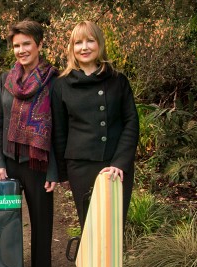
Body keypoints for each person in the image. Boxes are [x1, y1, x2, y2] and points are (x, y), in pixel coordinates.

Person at [0, 20, 59, 267]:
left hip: (38, 163)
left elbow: (58, 130)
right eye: (17, 45)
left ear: (39, 44)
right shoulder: (6, 79)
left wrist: (53, 171)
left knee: (41, 222)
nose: (21, 50)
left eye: (26, 44)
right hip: (8, 161)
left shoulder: (54, 81)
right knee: (5, 221)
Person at [52, 21, 139, 229]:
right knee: (90, 228)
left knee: (113, 228)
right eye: (78, 42)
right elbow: (60, 131)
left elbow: (131, 122)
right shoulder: (61, 85)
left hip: (114, 166)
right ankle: (87, 264)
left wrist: (120, 162)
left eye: (90, 41)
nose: (84, 47)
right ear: (72, 48)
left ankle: (114, 264)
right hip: (81, 166)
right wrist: (62, 172)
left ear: (99, 44)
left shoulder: (118, 81)